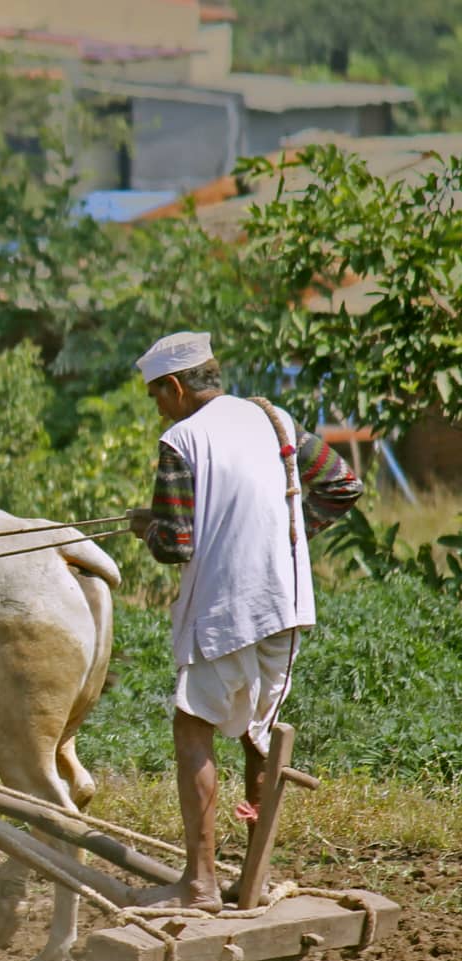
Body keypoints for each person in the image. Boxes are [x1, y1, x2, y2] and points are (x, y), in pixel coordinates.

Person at [126, 331, 363, 911]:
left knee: (193, 728)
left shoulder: (180, 439)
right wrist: (283, 537)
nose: (158, 406)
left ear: (176, 387)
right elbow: (341, 484)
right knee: (260, 737)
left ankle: (201, 884)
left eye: (157, 394)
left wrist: (143, 526)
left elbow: (176, 544)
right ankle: (254, 882)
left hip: (224, 609)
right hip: (285, 605)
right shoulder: (273, 419)